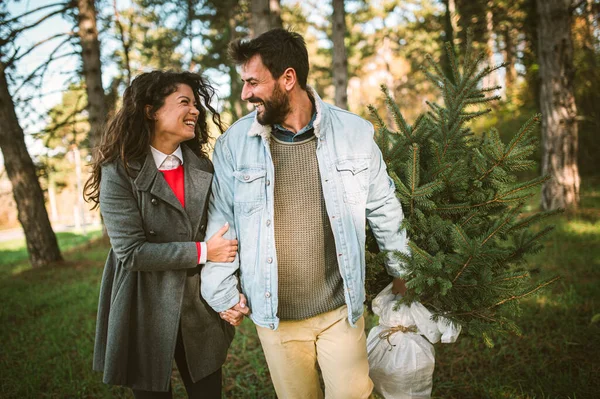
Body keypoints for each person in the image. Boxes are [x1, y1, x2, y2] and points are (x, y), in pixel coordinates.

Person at [201, 28, 409, 399]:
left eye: (253, 82)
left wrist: (402, 271)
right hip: (274, 315)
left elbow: (383, 207)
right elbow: (222, 222)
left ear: (288, 78)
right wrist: (221, 291)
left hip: (339, 308)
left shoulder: (354, 133)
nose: (246, 94)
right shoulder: (234, 144)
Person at [85, 70, 244, 399]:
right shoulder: (118, 171)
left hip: (196, 304)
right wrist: (203, 252)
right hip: (142, 302)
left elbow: (226, 234)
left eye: (196, 103)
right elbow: (131, 254)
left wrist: (230, 292)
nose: (196, 110)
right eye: (184, 102)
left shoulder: (204, 168)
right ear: (150, 110)